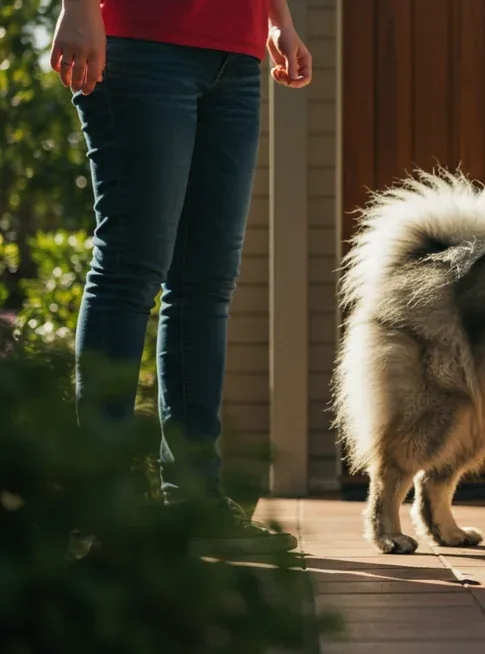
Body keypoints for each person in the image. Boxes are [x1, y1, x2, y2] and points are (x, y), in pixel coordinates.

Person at [51, 0, 312, 553]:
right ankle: (105, 505)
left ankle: (196, 502)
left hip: (235, 57)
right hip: (141, 41)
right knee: (129, 271)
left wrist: (277, 19)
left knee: (205, 285)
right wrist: (77, 7)